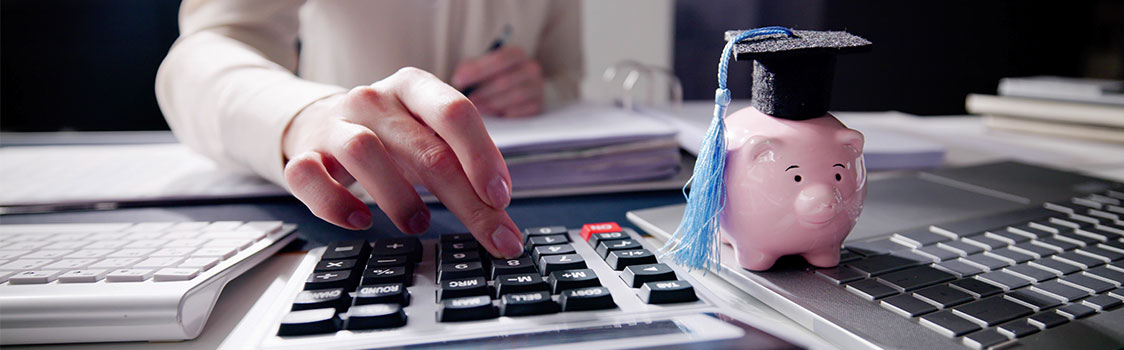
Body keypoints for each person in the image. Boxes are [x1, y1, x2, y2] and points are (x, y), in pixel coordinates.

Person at [155, 0, 584, 259]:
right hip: (340, 191)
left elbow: (567, 75)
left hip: (539, 193)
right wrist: (306, 114)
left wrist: (538, 87)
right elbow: (198, 57)